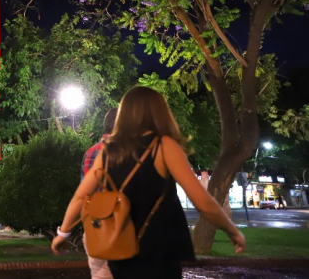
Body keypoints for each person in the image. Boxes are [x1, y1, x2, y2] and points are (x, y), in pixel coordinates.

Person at [51, 87, 245, 278]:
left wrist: (63, 233)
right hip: (157, 250)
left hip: (121, 248)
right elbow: (202, 201)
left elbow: (80, 196)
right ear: (159, 112)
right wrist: (231, 230)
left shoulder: (109, 152)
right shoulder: (163, 146)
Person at [79, 107, 118, 279]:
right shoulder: (132, 153)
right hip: (122, 228)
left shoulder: (91, 152)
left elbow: (84, 194)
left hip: (95, 228)